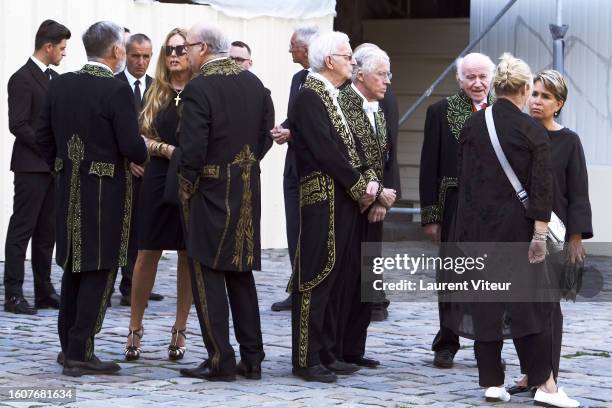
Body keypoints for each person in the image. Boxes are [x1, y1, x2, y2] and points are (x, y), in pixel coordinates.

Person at [445, 53, 579, 408]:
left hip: (477, 232)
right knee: (530, 309)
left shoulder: (472, 126)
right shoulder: (530, 129)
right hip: (518, 234)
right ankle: (545, 387)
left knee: (486, 305)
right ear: (521, 88)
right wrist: (539, 236)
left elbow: (465, 185)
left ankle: (491, 383)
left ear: (494, 86)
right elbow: (541, 189)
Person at [36, 21, 148, 377]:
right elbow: (132, 146)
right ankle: (81, 350)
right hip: (104, 193)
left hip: (68, 188)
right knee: (99, 269)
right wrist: (138, 154)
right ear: (116, 51)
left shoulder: (61, 84)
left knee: (73, 268)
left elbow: (41, 137)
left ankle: (68, 346)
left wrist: (63, 165)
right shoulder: (116, 90)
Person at [288, 31, 394, 383]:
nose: (352, 62)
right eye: (348, 57)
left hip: (340, 198)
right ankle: (306, 358)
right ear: (330, 61)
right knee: (315, 277)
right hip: (321, 197)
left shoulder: (330, 95)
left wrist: (367, 186)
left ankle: (326, 352)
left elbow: (348, 150)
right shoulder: (310, 96)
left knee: (334, 279)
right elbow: (326, 150)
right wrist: (362, 185)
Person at [177, 23, 274, 382]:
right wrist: (244, 164)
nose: (183, 54)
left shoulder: (199, 87)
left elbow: (193, 147)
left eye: (186, 47)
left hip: (211, 188)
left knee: (207, 271)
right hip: (247, 186)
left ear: (203, 48)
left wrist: (187, 184)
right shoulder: (254, 83)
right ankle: (253, 357)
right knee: (241, 272)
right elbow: (265, 135)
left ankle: (220, 358)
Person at [519, 69, 590, 406]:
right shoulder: (518, 136)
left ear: (558, 104)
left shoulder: (569, 141)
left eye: (545, 96)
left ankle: (548, 377)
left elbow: (578, 192)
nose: (537, 101)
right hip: (518, 231)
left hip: (555, 237)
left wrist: (576, 238)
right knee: (519, 306)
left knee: (547, 307)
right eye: (534, 93)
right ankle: (530, 372)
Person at [419, 52, 495, 368]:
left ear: (492, 79)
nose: (477, 84)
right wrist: (432, 216)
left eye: (482, 77)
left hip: (493, 210)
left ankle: (487, 344)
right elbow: (428, 166)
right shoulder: (439, 112)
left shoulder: (504, 112)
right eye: (470, 77)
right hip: (453, 204)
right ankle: (447, 342)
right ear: (459, 79)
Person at [123, 28, 193, 362]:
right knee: (146, 251)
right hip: (157, 175)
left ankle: (180, 329)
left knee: (186, 254)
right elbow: (140, 136)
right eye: (170, 49)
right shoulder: (155, 90)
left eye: (182, 48)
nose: (176, 54)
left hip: (191, 178)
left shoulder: (200, 90)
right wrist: (163, 148)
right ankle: (135, 327)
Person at [335, 45, 397, 368]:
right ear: (361, 75)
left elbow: (385, 158)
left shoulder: (379, 108)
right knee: (347, 277)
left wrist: (384, 197)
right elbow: (350, 156)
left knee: (367, 277)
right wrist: (373, 195)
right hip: (350, 203)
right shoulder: (344, 104)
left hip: (375, 202)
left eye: (389, 74)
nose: (387, 81)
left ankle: (354, 348)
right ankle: (337, 348)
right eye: (381, 74)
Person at [4, 19, 71, 315]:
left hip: (52, 168)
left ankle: (45, 291)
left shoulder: (55, 80)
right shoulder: (21, 78)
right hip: (31, 167)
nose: (63, 53)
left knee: (48, 232)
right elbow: (18, 125)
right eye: (61, 48)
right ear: (48, 47)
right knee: (22, 229)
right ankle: (13, 294)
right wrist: (48, 147)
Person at [270, 25, 319, 312]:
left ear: (307, 48)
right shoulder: (297, 78)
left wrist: (294, 135)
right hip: (293, 168)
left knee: (313, 232)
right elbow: (297, 118)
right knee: (294, 230)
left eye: (293, 46)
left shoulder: (329, 83)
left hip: (316, 169)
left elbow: (322, 128)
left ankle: (313, 290)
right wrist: (282, 129)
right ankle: (297, 288)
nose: (289, 51)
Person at [114, 33, 163, 306]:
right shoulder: (115, 85)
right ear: (125, 54)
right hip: (123, 169)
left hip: (151, 169)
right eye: (136, 56)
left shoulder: (157, 87)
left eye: (146, 56)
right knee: (123, 227)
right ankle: (124, 281)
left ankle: (137, 282)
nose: (141, 62)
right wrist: (128, 159)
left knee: (145, 228)